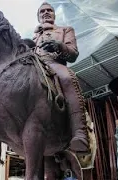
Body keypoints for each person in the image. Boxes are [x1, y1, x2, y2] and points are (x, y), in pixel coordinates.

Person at [32, 2, 90, 154]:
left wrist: (59, 45)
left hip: (54, 64)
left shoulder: (65, 30)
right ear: (38, 16)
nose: (46, 13)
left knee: (68, 78)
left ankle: (80, 133)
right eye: (42, 11)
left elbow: (73, 54)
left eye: (49, 10)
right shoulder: (34, 36)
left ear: (54, 14)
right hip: (36, 66)